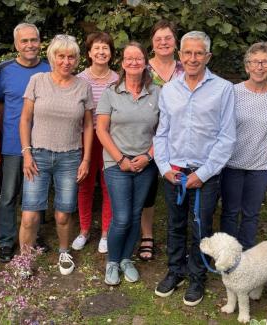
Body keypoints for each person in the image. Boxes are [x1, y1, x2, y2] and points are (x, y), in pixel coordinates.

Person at [153, 31, 236, 305]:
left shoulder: (224, 89)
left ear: (208, 56)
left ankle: (197, 276)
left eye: (199, 53)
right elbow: (161, 133)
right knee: (175, 225)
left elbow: (227, 138)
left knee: (201, 228)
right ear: (180, 55)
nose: (192, 58)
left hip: (206, 175)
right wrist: (164, 167)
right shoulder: (169, 90)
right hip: (174, 173)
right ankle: (175, 271)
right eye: (187, 52)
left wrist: (202, 174)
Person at [19, 34, 94, 275]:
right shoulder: (37, 80)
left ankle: (64, 252)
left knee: (63, 213)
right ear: (52, 57)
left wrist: (86, 159)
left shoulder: (84, 86)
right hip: (37, 156)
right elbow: (25, 119)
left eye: (71, 56)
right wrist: (27, 153)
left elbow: (89, 125)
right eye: (61, 56)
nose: (66, 61)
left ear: (77, 60)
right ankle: (24, 260)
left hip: (70, 158)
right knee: (30, 215)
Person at [96, 41, 160, 286]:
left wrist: (149, 156)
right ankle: (112, 262)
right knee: (121, 217)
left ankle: (126, 259)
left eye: (139, 58)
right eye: (129, 58)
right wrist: (121, 159)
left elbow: (164, 131)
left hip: (146, 164)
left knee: (134, 215)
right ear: (122, 63)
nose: (134, 62)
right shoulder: (111, 92)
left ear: (145, 62)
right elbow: (101, 130)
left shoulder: (157, 93)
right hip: (116, 164)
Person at [220, 42, 267, 251]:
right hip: (232, 163)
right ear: (247, 66)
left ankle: (247, 254)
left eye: (265, 62)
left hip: (261, 165)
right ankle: (227, 253)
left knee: (251, 213)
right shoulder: (232, 91)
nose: (260, 66)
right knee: (230, 211)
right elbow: (224, 126)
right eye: (255, 62)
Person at [0, 23, 51, 263]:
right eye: (24, 41)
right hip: (11, 144)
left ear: (40, 42)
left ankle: (33, 236)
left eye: (33, 40)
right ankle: (7, 241)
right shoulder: (5, 71)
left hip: (41, 143)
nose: (30, 45)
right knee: (8, 195)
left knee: (36, 195)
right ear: (16, 44)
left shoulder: (50, 69)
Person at [138, 19, 184, 261]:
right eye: (159, 39)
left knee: (177, 187)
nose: (164, 42)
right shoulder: (142, 70)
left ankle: (178, 236)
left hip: (178, 140)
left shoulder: (186, 68)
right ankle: (147, 236)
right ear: (152, 44)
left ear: (175, 42)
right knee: (148, 189)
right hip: (146, 137)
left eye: (168, 38)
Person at [71, 32, 118, 254]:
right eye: (96, 48)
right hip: (86, 138)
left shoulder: (118, 79)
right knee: (85, 184)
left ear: (111, 53)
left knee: (109, 185)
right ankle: (84, 230)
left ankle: (106, 233)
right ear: (89, 53)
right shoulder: (80, 79)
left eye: (105, 48)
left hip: (110, 139)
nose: (101, 52)